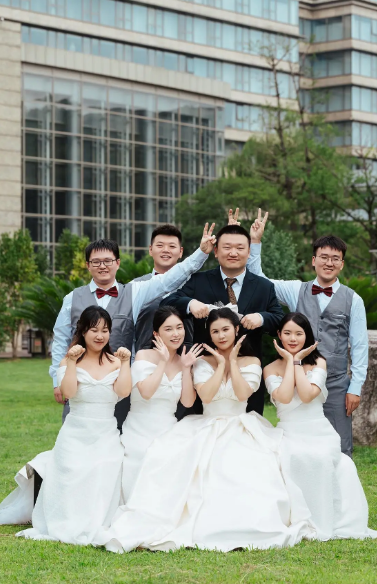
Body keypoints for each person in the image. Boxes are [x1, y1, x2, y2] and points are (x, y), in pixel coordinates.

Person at [99, 308, 313, 552]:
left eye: (226, 329)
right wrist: (220, 365)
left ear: (236, 330)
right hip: (208, 423)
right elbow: (207, 396)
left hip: (241, 424)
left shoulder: (252, 361)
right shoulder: (201, 361)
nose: (221, 336)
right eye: (215, 331)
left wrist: (232, 362)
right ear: (209, 335)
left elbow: (242, 393)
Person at [0, 306, 132, 545]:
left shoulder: (116, 362)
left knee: (105, 468)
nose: (100, 336)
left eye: (105, 330)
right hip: (76, 432)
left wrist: (125, 363)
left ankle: (96, 520)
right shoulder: (69, 360)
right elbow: (69, 393)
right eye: (94, 330)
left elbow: (124, 392)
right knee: (72, 470)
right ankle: (69, 520)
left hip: (106, 433)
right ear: (83, 331)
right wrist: (72, 362)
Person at [51, 223, 216, 427]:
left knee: (118, 433)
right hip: (80, 380)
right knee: (77, 429)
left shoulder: (134, 292)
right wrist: (57, 379)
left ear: (117, 263)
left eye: (108, 261)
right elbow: (60, 339)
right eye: (96, 262)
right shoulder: (72, 298)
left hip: (120, 380)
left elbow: (169, 280)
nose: (103, 266)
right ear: (88, 265)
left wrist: (201, 253)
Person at [248, 212, 368, 457]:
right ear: (314, 260)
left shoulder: (354, 299)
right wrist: (255, 242)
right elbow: (260, 281)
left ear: (342, 264)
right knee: (300, 448)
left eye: (335, 258)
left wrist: (355, 387)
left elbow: (359, 346)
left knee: (339, 447)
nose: (329, 263)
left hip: (335, 384)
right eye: (324, 257)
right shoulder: (296, 290)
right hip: (297, 379)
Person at [264, 312, 376, 540]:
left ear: (307, 336)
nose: (293, 338)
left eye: (298, 333)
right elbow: (284, 397)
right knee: (291, 457)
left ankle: (329, 518)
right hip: (289, 431)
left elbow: (306, 395)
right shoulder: (270, 368)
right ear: (279, 335)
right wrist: (290, 362)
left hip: (319, 431)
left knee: (327, 460)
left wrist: (296, 361)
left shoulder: (319, 362)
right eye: (287, 333)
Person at [161, 224, 284, 416]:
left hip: (246, 372)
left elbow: (279, 319)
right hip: (204, 371)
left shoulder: (263, 286)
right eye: (227, 247)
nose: (233, 253)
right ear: (216, 251)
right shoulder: (199, 281)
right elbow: (167, 302)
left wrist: (261, 317)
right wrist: (190, 303)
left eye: (240, 248)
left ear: (249, 252)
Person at [121, 306, 202, 503]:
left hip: (168, 427)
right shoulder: (143, 355)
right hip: (140, 427)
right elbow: (147, 392)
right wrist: (163, 362)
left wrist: (186, 368)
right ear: (156, 333)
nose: (176, 334)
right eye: (168, 329)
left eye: (179, 327)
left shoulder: (184, 360)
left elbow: (187, 401)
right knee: (144, 457)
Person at [133, 225, 184, 353]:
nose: (166, 250)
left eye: (172, 246)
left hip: (185, 359)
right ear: (150, 250)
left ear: (181, 252)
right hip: (144, 358)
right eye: (160, 245)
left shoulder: (192, 284)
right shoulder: (136, 285)